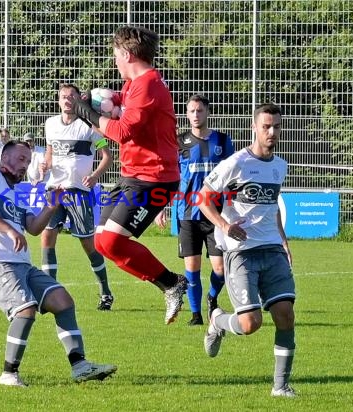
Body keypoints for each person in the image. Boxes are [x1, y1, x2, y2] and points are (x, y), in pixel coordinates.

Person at [0, 140, 117, 386]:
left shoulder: (18, 193)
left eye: (27, 161)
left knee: (63, 301)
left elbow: (34, 228)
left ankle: (80, 366)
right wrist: (9, 231)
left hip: (22, 266)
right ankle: (8, 374)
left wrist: (51, 206)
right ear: (4, 158)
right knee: (25, 309)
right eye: (20, 159)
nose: (24, 166)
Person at [71, 26, 187, 324]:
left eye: (115, 56)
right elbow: (118, 112)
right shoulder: (134, 85)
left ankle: (172, 283)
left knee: (111, 242)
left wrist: (89, 112)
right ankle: (170, 284)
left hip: (154, 177)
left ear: (126, 54)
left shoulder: (148, 85)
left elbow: (122, 133)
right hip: (132, 175)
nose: (115, 62)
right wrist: (96, 105)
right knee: (100, 241)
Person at [198, 103, 296, 397]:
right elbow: (203, 198)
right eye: (266, 126)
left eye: (276, 126)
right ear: (254, 127)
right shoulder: (236, 162)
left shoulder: (280, 166)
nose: (272, 132)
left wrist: (284, 241)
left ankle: (280, 387)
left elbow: (272, 207)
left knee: (285, 315)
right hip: (241, 253)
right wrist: (225, 226)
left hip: (272, 250)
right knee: (251, 323)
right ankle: (217, 320)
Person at [155, 95, 235, 326]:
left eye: (199, 110)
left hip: (216, 214)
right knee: (192, 266)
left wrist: (233, 205)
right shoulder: (179, 142)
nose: (196, 115)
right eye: (191, 111)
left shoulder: (222, 140)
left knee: (220, 268)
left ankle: (212, 298)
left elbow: (231, 177)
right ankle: (196, 314)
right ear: (187, 114)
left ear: (207, 112)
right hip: (187, 214)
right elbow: (170, 177)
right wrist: (161, 207)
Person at [39, 83, 115, 310]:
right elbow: (50, 153)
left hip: (79, 192)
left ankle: (105, 292)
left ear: (78, 99)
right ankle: (48, 291)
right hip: (55, 189)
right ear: (58, 100)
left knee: (87, 244)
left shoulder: (89, 128)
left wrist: (94, 176)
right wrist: (45, 165)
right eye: (63, 97)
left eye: (71, 96)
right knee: (47, 237)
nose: (67, 100)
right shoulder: (50, 124)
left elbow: (107, 157)